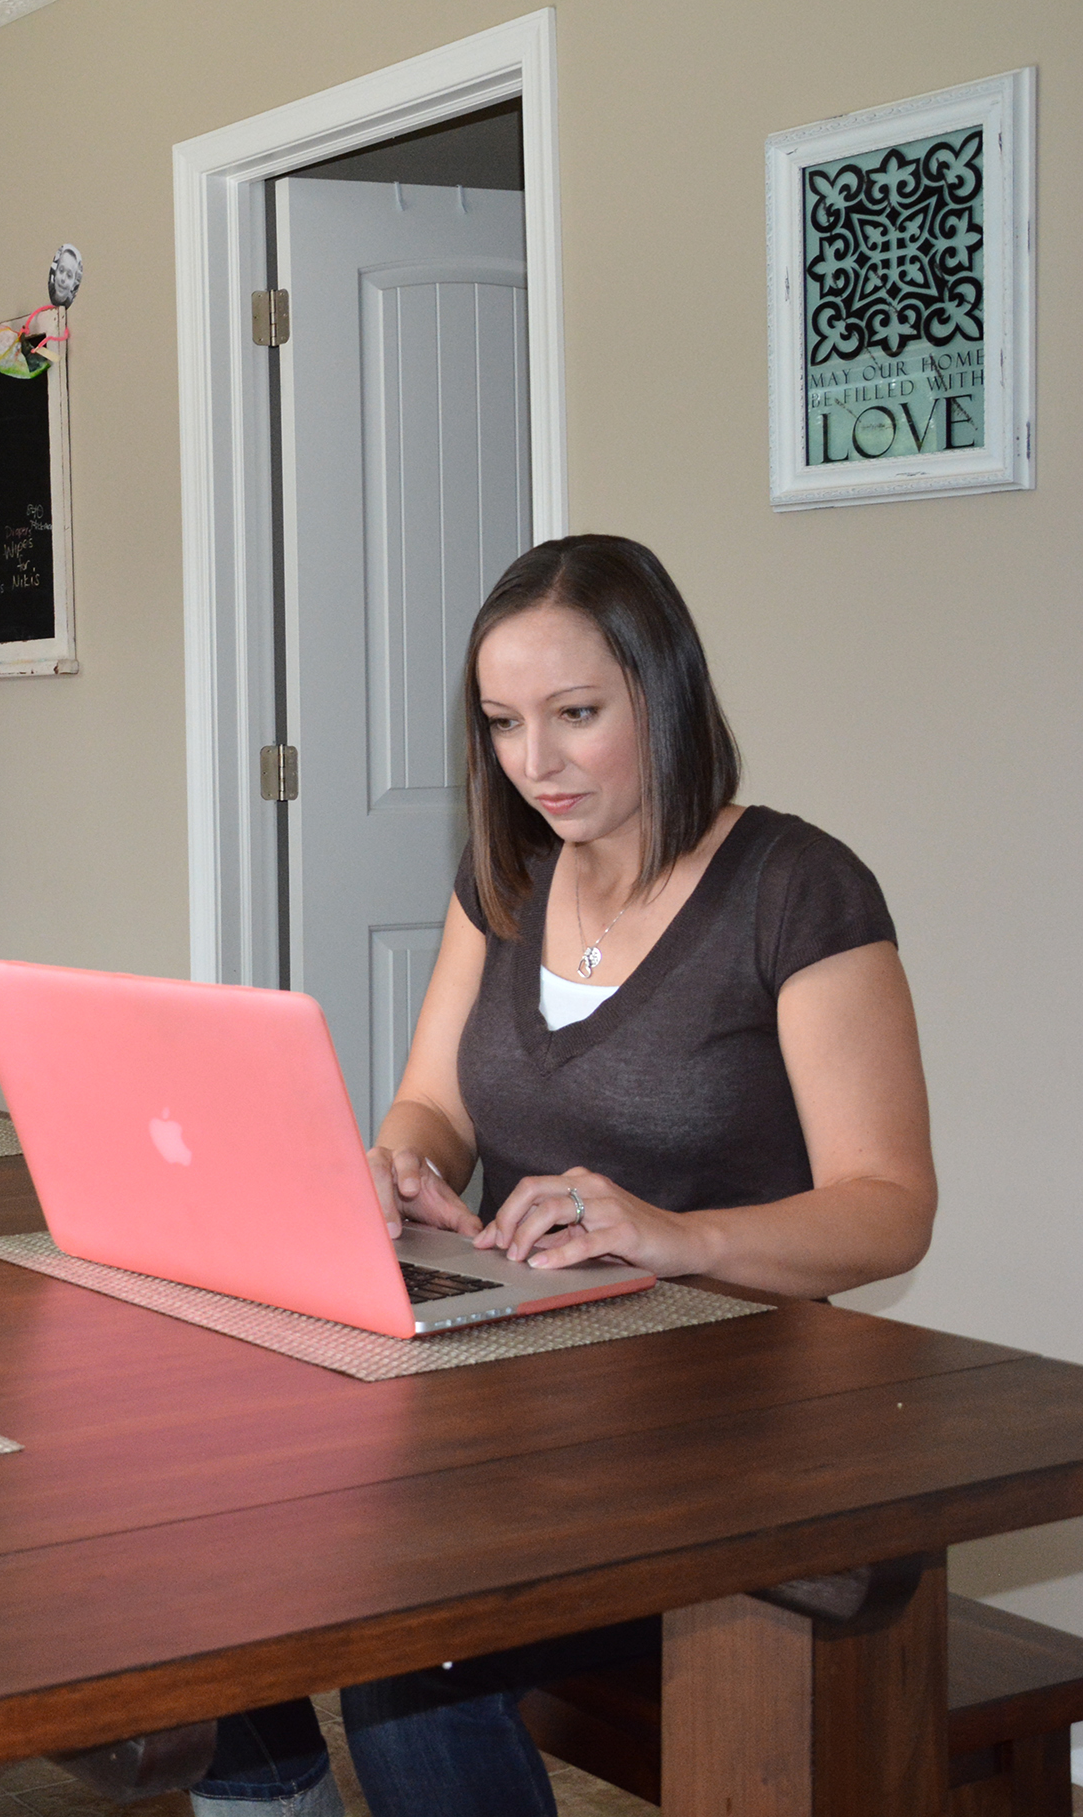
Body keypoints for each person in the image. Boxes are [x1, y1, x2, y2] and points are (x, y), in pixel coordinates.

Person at [190, 534, 934, 1817]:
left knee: (407, 1654)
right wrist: (401, 1164)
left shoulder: (797, 890)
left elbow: (890, 1208)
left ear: (665, 690)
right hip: (518, 1391)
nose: (534, 762)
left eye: (576, 715)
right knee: (226, 1540)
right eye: (502, 724)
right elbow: (433, 1104)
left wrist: (673, 1235)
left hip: (724, 1419)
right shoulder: (507, 878)